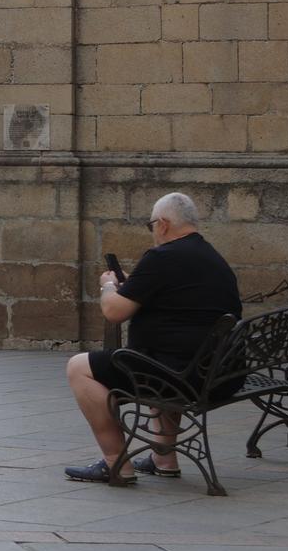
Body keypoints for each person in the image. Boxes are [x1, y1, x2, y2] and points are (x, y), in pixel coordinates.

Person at [63, 192, 241, 485]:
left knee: (78, 367)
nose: (153, 232)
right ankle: (164, 458)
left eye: (151, 226)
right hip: (219, 374)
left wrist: (109, 286)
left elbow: (114, 311)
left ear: (163, 224)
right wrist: (134, 284)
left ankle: (115, 463)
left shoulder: (163, 257)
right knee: (159, 359)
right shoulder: (211, 257)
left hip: (181, 376)